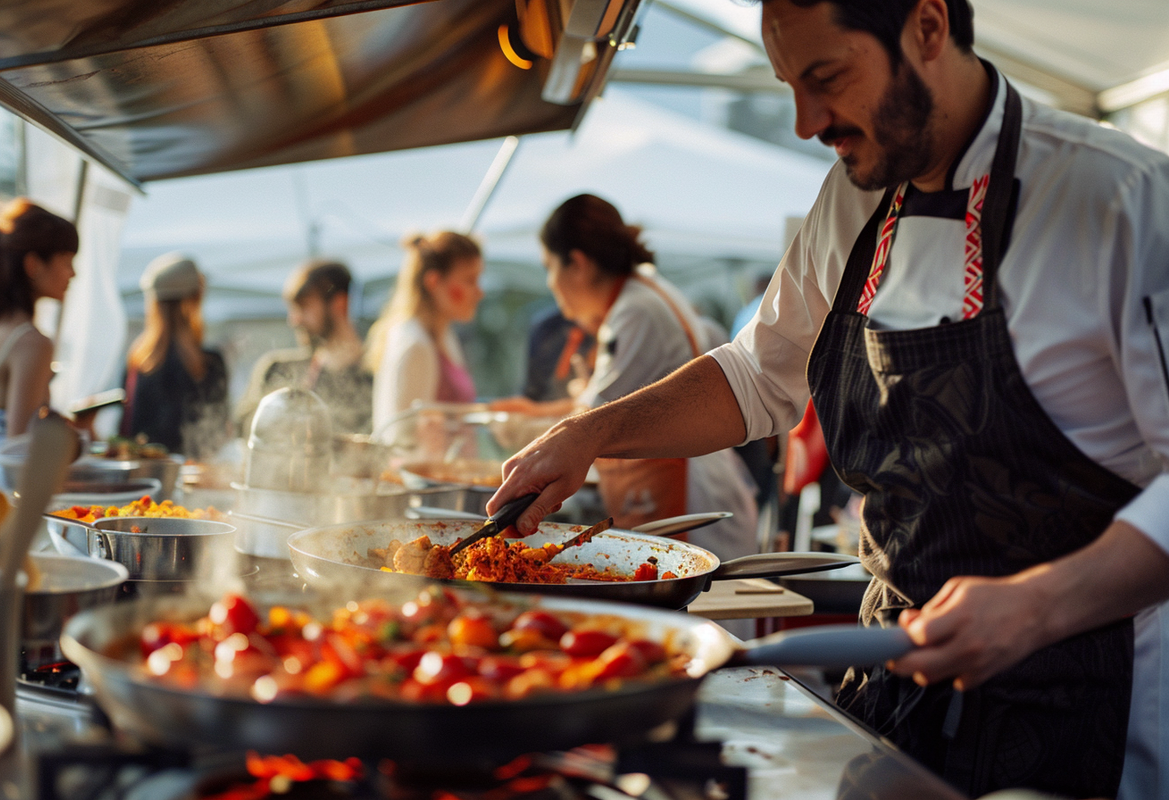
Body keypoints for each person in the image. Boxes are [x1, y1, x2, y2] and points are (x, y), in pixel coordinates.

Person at [489, 2, 1169, 798]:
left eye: (827, 79)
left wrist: (1039, 606)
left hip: (1090, 700)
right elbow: (754, 376)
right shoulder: (852, 199)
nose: (808, 122)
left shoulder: (1119, 198)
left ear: (927, 25)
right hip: (898, 678)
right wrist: (590, 433)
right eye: (789, 86)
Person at [494, 194, 758, 564]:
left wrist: (520, 427)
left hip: (689, 494)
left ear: (578, 264)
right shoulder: (640, 296)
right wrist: (532, 413)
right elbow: (602, 409)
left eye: (549, 267)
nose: (551, 285)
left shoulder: (635, 311)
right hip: (677, 483)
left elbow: (591, 420)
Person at [0, 199, 77, 483]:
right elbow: (19, 451)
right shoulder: (31, 343)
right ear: (33, 264)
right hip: (6, 497)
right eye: (66, 260)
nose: (73, 273)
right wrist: (74, 441)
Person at [366, 232, 483, 440]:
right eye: (470, 280)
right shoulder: (414, 343)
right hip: (424, 472)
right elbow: (400, 438)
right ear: (434, 282)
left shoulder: (442, 334)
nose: (479, 292)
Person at [237, 259, 373, 435]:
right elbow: (243, 428)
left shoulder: (374, 373)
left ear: (340, 303)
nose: (294, 320)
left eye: (304, 306)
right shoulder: (278, 369)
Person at [120, 252, 228, 459]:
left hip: (144, 475)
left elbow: (127, 430)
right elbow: (218, 431)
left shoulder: (139, 361)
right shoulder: (208, 363)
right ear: (196, 297)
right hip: (194, 475)